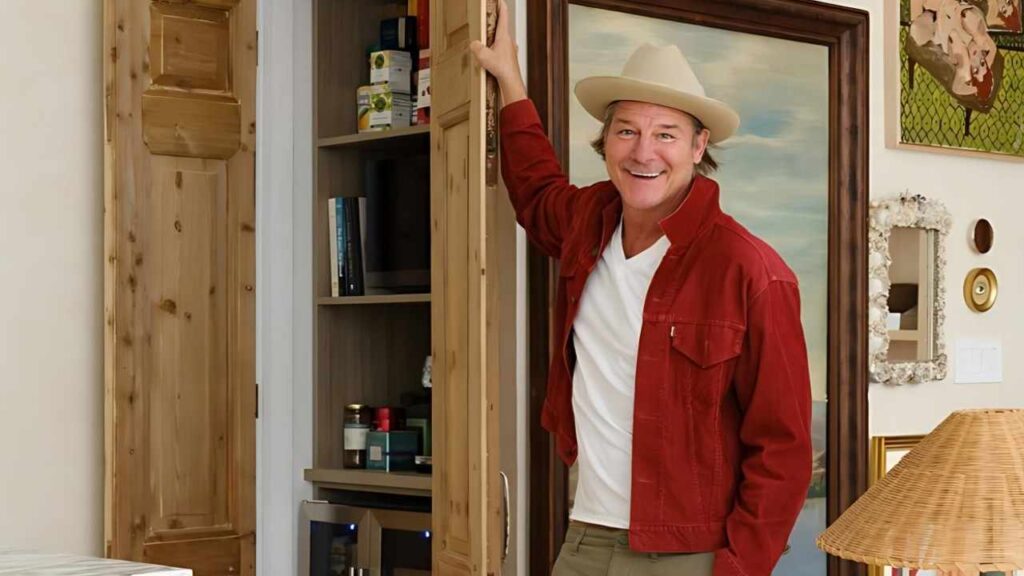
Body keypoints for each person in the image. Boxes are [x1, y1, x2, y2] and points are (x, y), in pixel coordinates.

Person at [471, 2, 812, 574]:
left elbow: (783, 449)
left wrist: (736, 569)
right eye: (626, 130)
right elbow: (534, 188)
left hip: (687, 555)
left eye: (666, 134)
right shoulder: (588, 221)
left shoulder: (751, 271)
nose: (643, 152)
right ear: (605, 143)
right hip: (583, 540)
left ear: (699, 148)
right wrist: (508, 78)